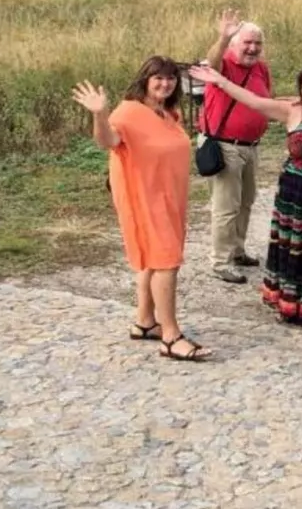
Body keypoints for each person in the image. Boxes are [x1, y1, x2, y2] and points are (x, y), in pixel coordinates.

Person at [189, 47, 302, 327]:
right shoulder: (291, 110)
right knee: (296, 247)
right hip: (297, 192)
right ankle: (292, 303)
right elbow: (251, 100)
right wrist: (220, 81)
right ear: (301, 89)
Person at [72, 57, 210, 361]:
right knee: (166, 260)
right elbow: (108, 140)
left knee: (152, 259)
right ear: (145, 80)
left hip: (169, 196)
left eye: (171, 78)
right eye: (158, 78)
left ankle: (146, 322)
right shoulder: (129, 112)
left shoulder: (166, 113)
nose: (165, 83)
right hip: (145, 198)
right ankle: (171, 336)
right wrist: (99, 114)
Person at [201, 9, 272, 283]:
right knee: (226, 207)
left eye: (257, 44)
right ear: (234, 44)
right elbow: (212, 61)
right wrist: (223, 37)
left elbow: (267, 99)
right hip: (225, 146)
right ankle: (220, 261)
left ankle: (238, 249)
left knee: (246, 202)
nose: (253, 49)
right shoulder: (224, 64)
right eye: (247, 43)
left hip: (252, 146)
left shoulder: (261, 68)